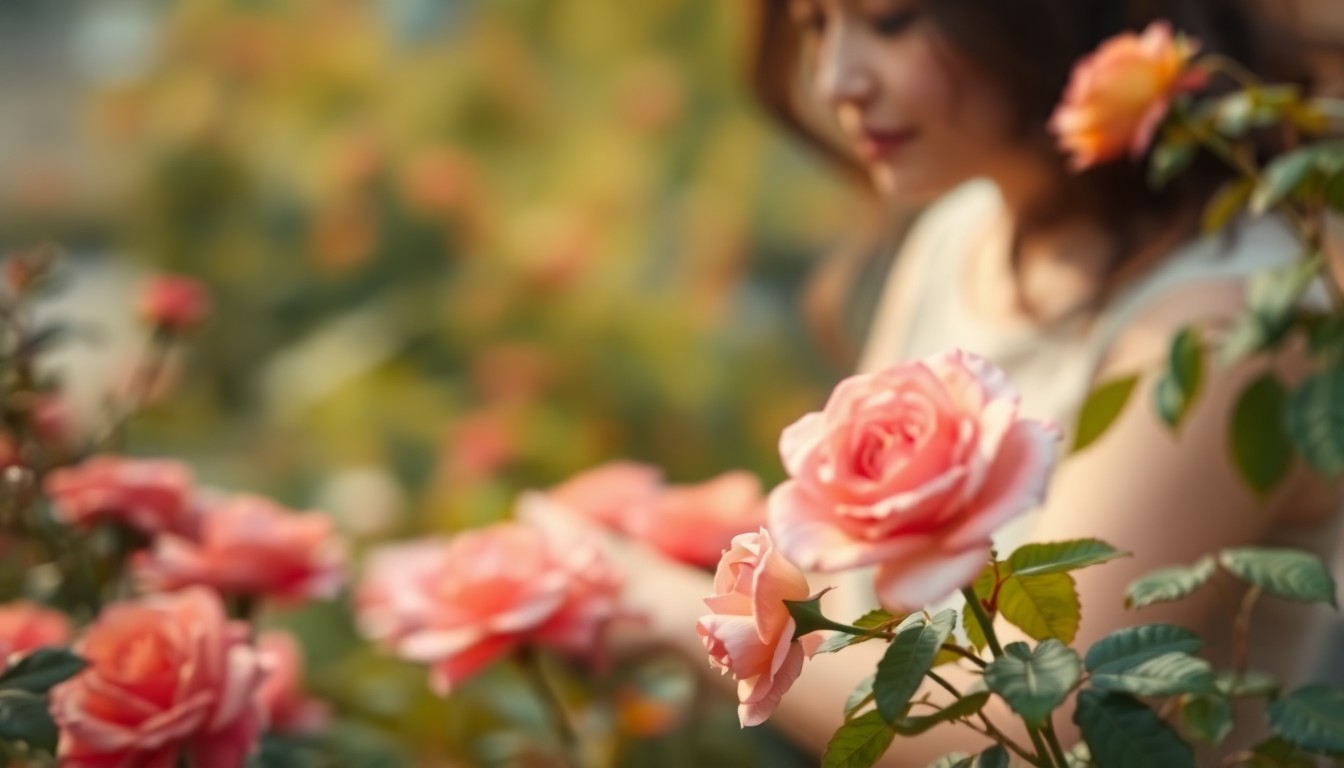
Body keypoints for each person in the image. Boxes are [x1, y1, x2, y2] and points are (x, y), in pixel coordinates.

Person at [604, 0, 1344, 762]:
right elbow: (853, 580)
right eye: (813, 26)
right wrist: (657, 541)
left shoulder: (1224, 325)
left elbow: (1038, 721)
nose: (835, 81)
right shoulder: (960, 235)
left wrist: (655, 603)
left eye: (888, 21)